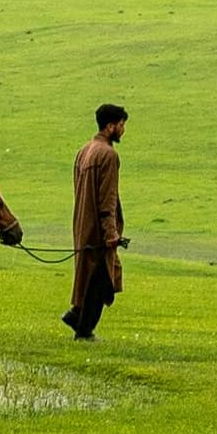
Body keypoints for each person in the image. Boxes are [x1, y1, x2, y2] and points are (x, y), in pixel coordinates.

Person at [67, 100, 129, 341]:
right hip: (98, 229)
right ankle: (83, 329)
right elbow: (107, 199)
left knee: (92, 275)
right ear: (110, 126)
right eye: (121, 125)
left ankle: (76, 315)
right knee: (102, 277)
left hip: (83, 223)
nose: (123, 130)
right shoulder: (108, 155)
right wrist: (111, 233)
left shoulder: (84, 150)